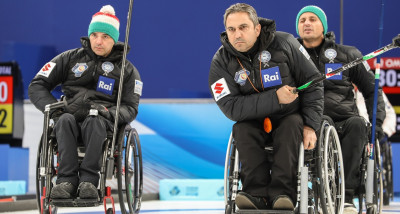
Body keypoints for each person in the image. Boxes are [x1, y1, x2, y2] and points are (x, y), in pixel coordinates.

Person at [209, 3, 324, 210]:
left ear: (257, 28)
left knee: (292, 126)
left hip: (289, 116)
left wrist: (311, 126)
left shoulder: (286, 43)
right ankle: (255, 194)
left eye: (243, 27)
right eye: (231, 29)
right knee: (241, 129)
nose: (237, 35)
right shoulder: (220, 61)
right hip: (252, 120)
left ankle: (283, 194)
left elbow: (314, 82)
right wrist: (276, 98)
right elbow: (230, 108)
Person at [28, 5, 142, 199]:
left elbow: (130, 107)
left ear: (114, 39)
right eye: (94, 35)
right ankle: (66, 181)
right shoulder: (68, 59)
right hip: (69, 117)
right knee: (63, 120)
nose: (98, 41)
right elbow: (37, 85)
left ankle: (89, 181)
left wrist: (109, 113)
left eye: (105, 36)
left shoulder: (128, 71)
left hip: (102, 123)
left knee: (95, 121)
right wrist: (55, 111)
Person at [296, 5, 386, 213]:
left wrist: (377, 123)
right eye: (302, 20)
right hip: (310, 122)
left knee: (357, 124)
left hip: (344, 121)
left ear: (323, 26)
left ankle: (346, 198)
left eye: (312, 19)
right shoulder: (291, 56)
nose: (307, 23)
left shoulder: (347, 54)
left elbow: (372, 90)